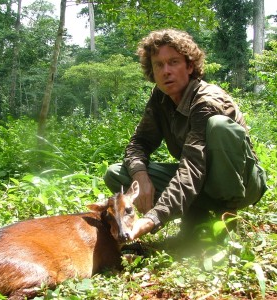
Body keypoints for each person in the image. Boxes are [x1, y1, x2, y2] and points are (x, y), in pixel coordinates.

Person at [104, 29, 267, 242]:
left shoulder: (206, 101)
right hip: (199, 180)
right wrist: (141, 177)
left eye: (173, 62)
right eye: (159, 65)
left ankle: (226, 218)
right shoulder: (160, 97)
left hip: (243, 183)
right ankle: (197, 215)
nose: (166, 71)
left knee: (219, 126)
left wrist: (153, 218)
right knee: (117, 173)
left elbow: (193, 166)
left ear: (190, 66)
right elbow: (139, 142)